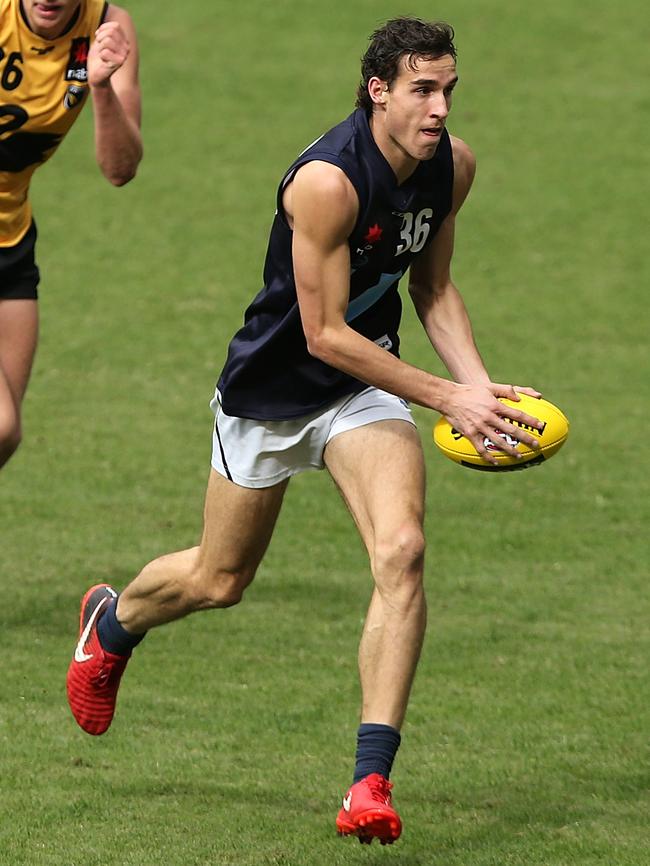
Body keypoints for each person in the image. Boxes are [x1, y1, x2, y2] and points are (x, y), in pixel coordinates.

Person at [66, 17, 543, 845]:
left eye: (449, 90)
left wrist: (478, 387)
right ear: (379, 91)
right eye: (423, 90)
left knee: (403, 549)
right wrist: (446, 398)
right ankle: (112, 622)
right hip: (273, 393)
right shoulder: (326, 182)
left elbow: (432, 289)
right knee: (218, 581)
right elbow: (322, 334)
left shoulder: (451, 166)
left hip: (366, 389)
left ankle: (370, 782)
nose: (439, 109)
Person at [0, 0, 142, 469]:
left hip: (11, 239)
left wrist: (100, 87)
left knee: (3, 439)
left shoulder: (109, 28)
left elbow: (120, 169)